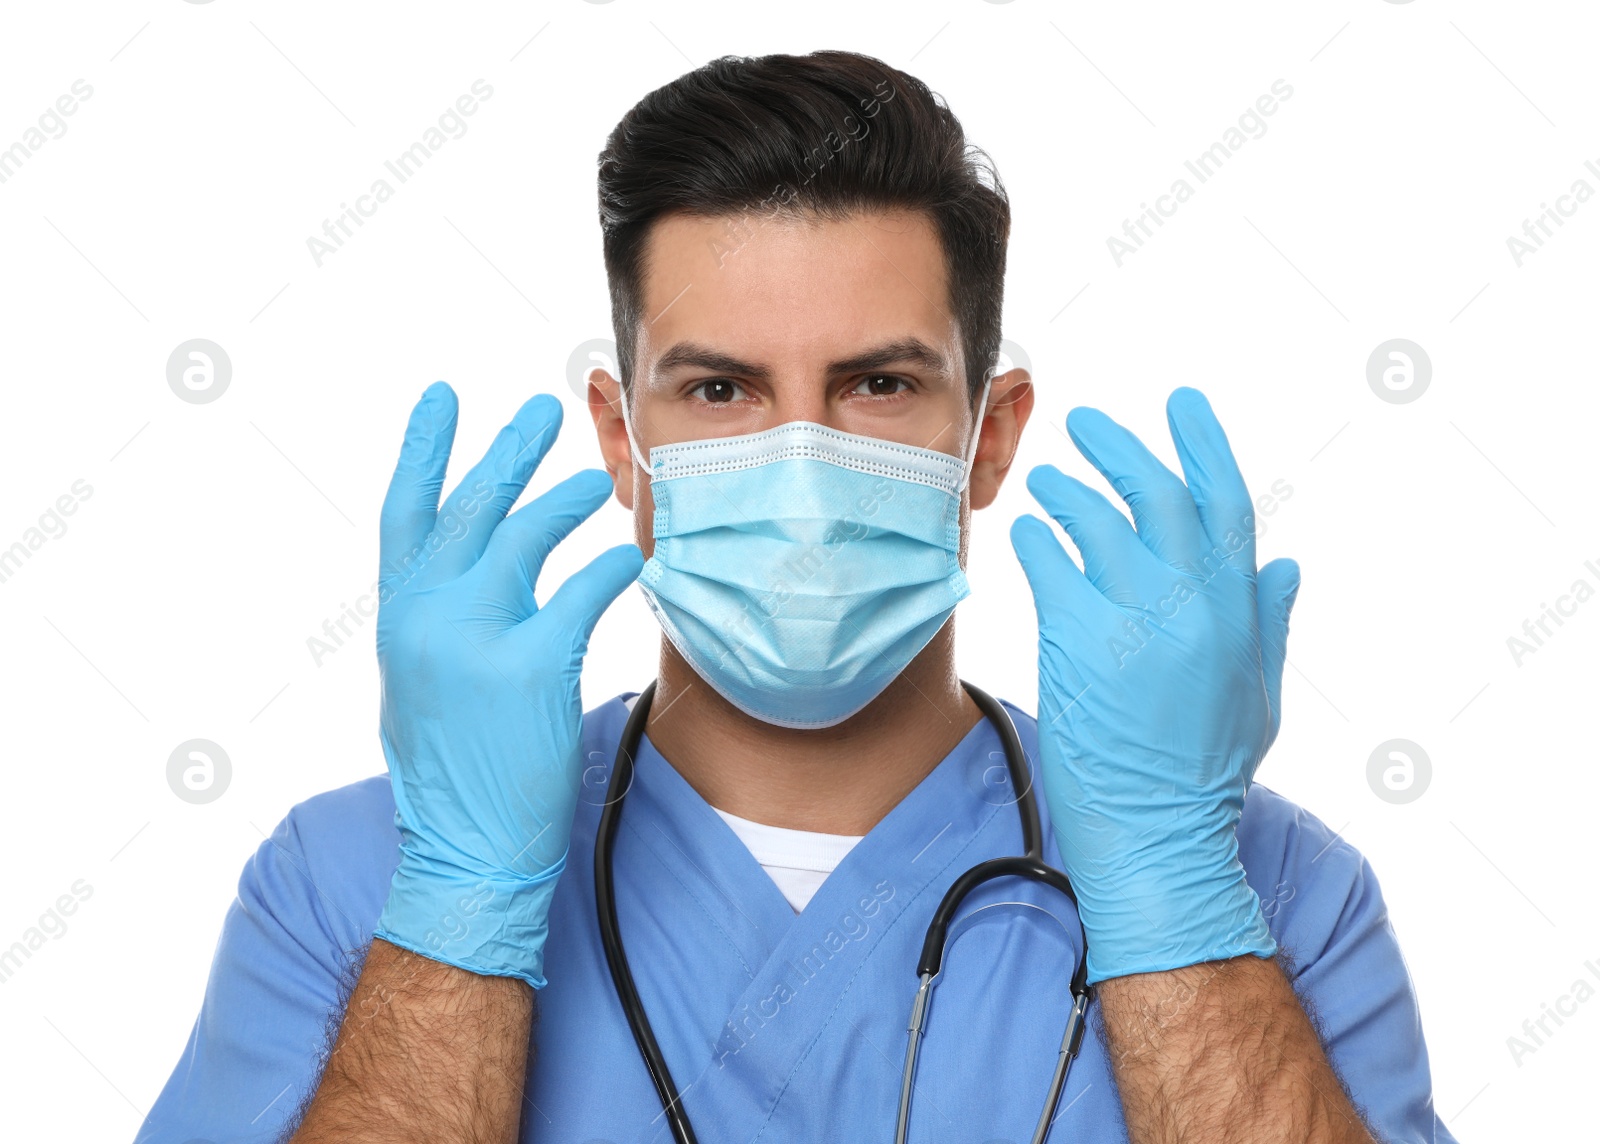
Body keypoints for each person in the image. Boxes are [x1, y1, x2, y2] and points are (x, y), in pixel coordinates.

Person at [135, 50, 1456, 1144]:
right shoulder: (357, 884)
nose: (803, 461)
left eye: (878, 386)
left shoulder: (1269, 892)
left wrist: (1171, 891)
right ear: (621, 438)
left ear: (987, 439)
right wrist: (463, 902)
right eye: (721, 391)